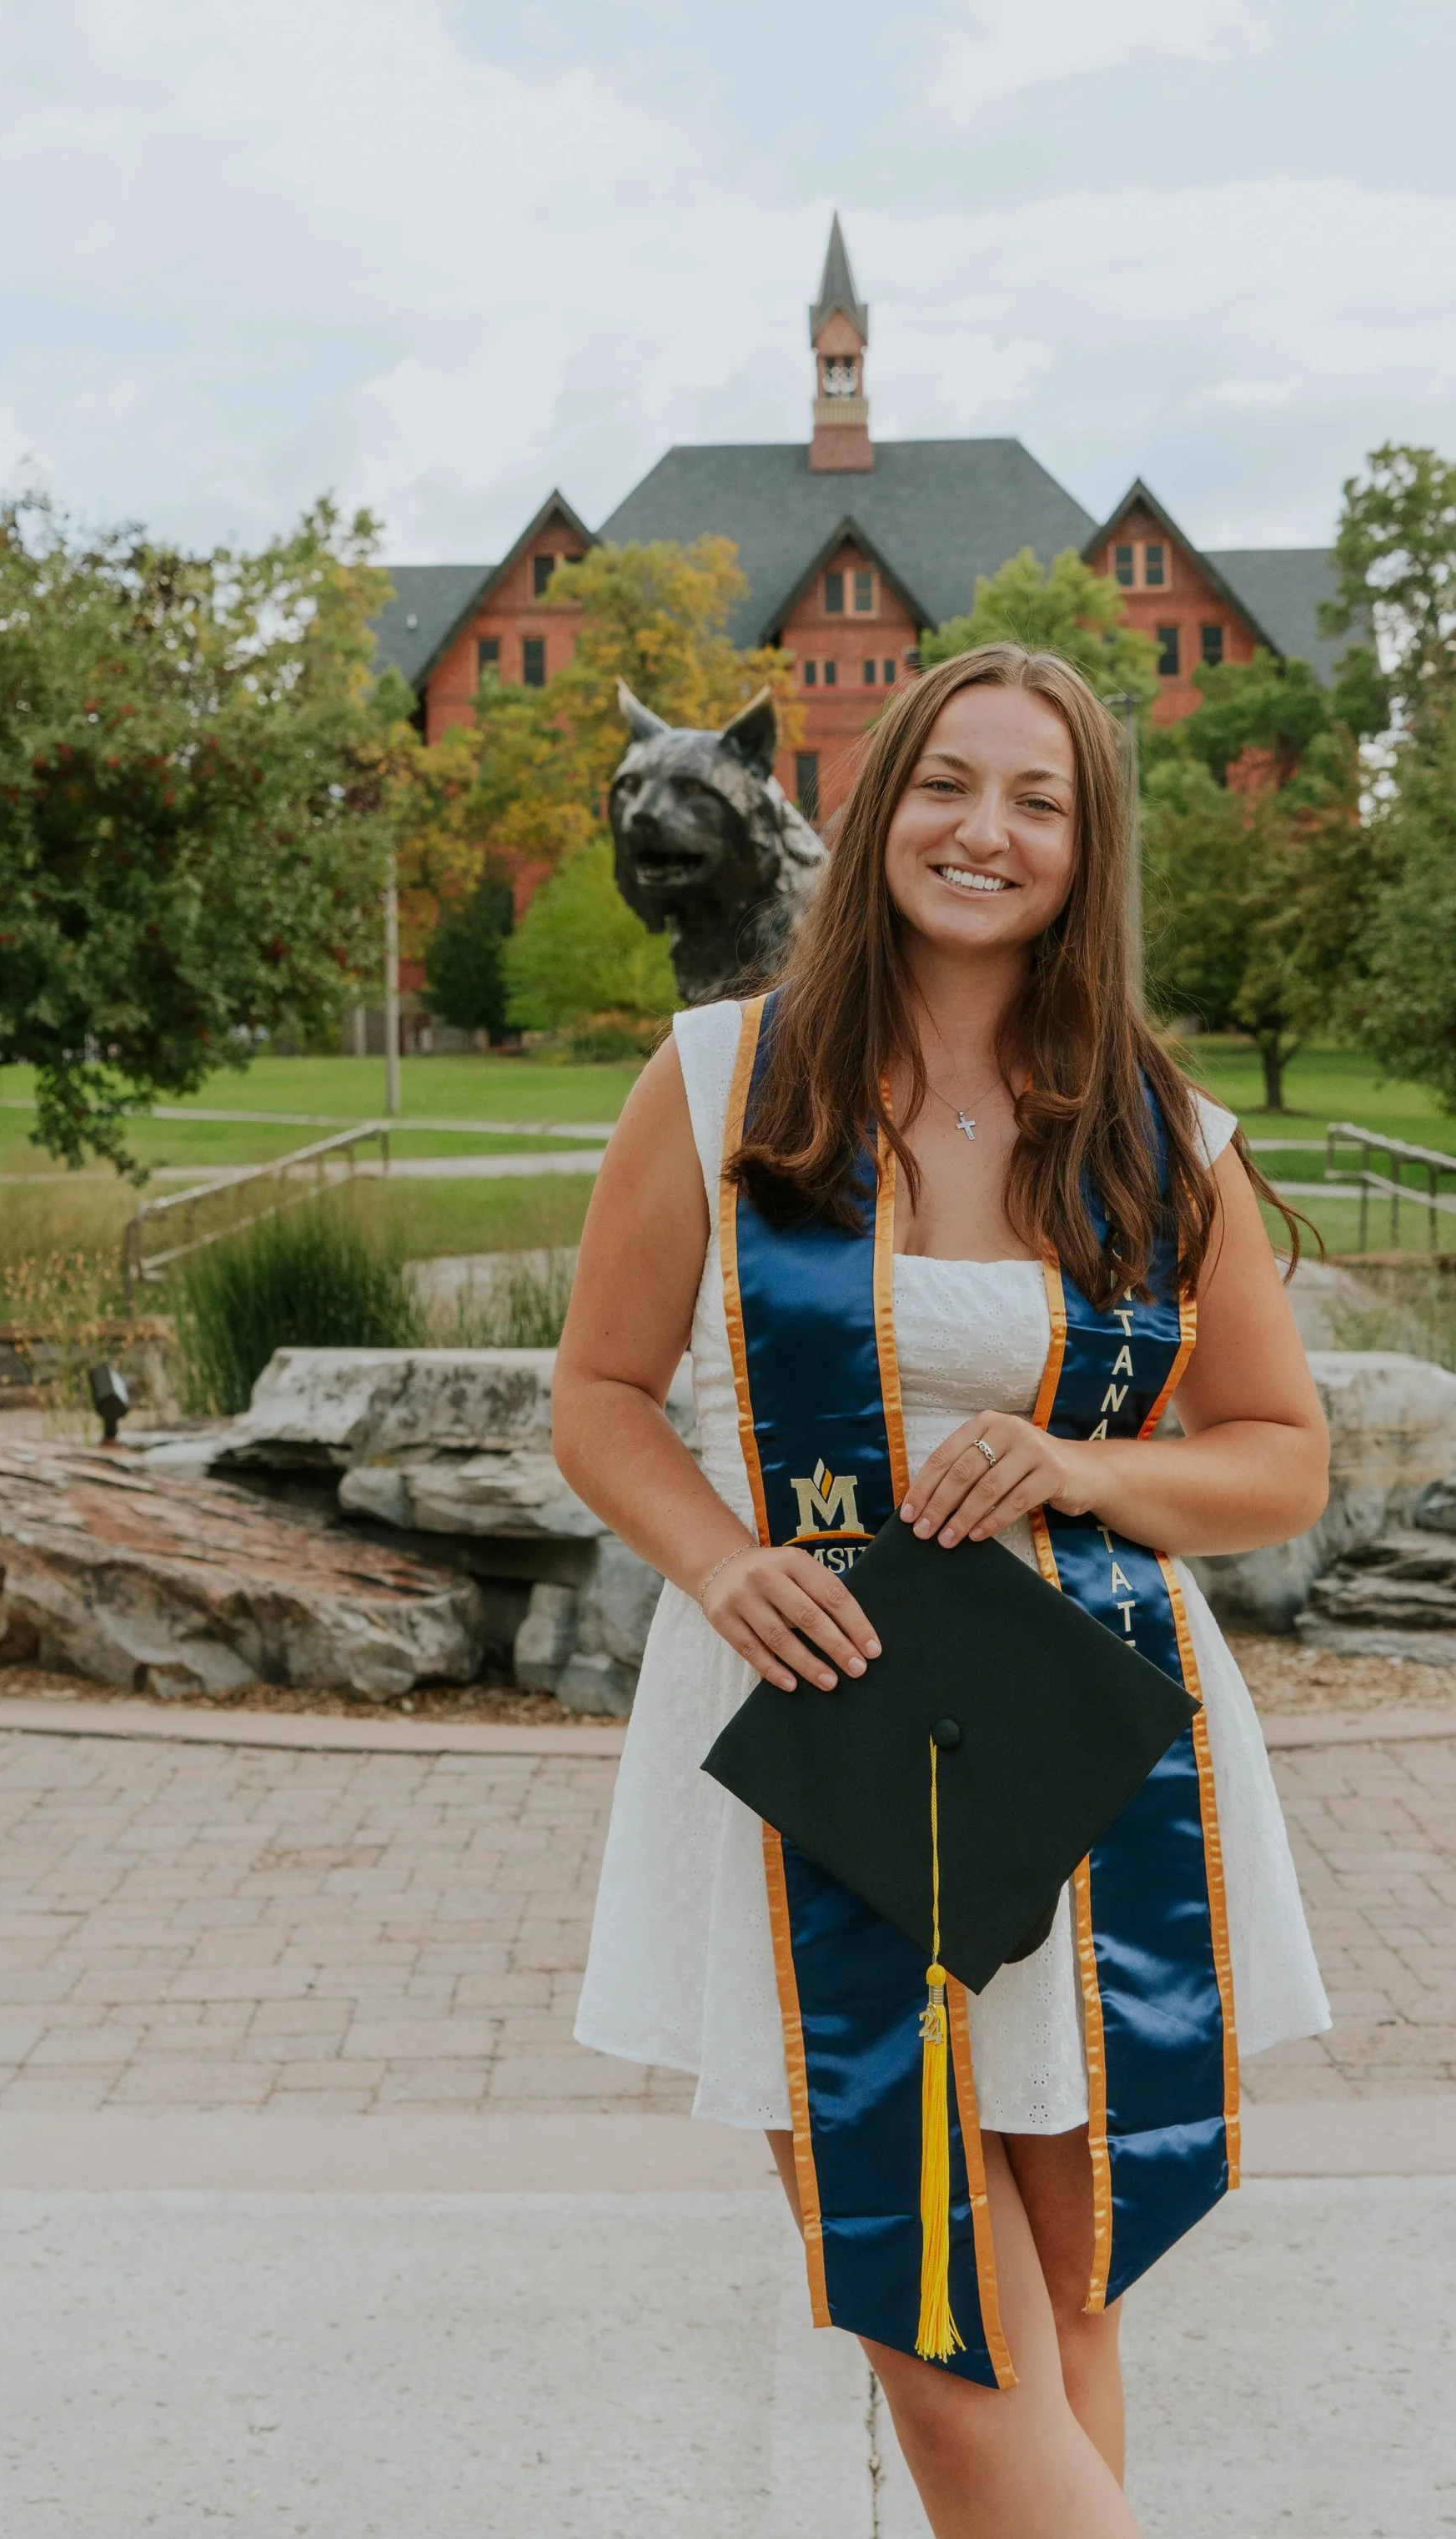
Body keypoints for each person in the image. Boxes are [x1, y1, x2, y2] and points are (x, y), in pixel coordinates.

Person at [556, 642, 1333, 2538]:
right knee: (941, 2340)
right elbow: (593, 1396)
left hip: (1077, 1748)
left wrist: (1082, 1465)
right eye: (943, 783)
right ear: (878, 802)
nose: (982, 830)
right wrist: (722, 1553)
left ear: (1084, 851)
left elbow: (1275, 1454)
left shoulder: (1155, 1131)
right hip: (807, 1737)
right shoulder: (722, 1079)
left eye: (1035, 800)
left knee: (1066, 2324)